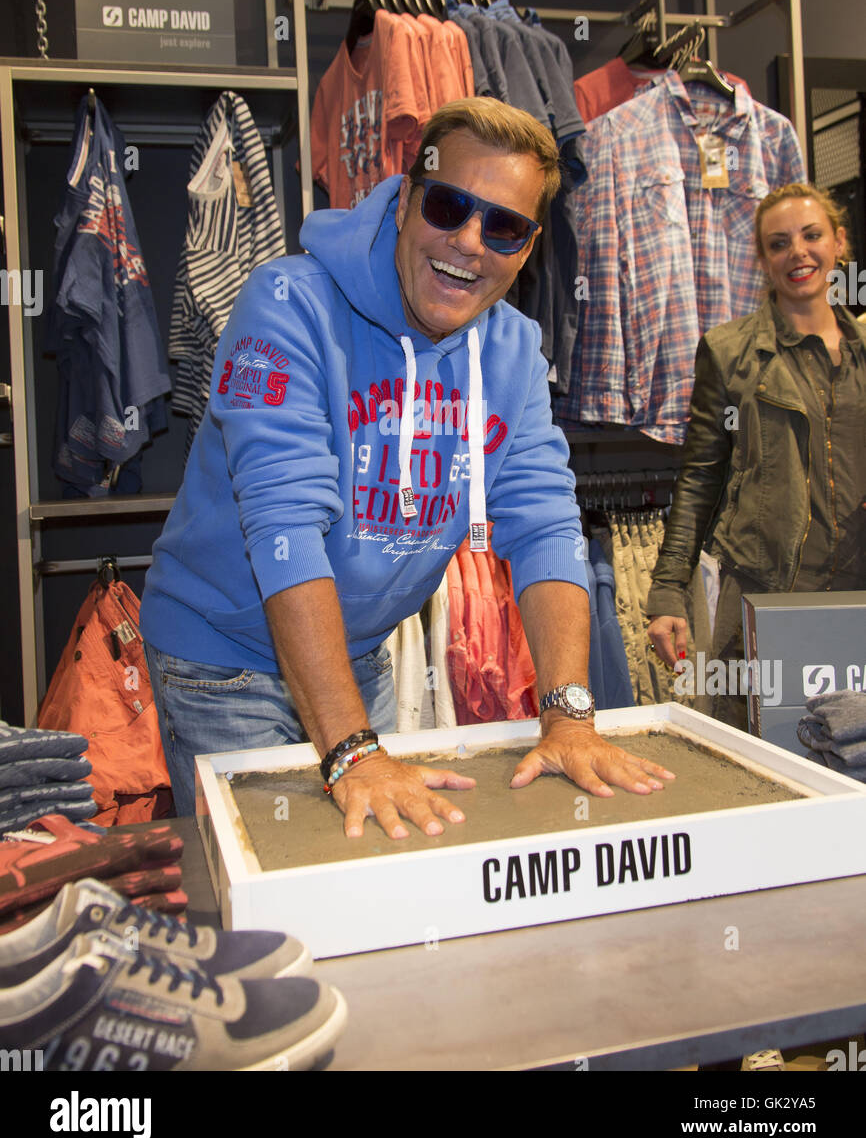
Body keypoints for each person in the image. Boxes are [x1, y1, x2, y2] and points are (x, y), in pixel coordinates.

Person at [141, 98, 675, 830]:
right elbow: (284, 525)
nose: (468, 241)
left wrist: (569, 714)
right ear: (404, 199)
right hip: (220, 662)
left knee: (384, 863)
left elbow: (546, 527)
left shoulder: (513, 352)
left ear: (528, 247)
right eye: (449, 205)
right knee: (275, 895)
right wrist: (352, 752)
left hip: (357, 656)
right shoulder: (287, 304)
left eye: (505, 227)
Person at [647, 182, 866, 729]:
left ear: (839, 242)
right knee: (759, 757)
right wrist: (669, 589)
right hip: (766, 599)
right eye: (779, 243)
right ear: (762, 260)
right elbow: (700, 477)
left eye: (811, 235)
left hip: (858, 602)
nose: (798, 253)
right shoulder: (729, 352)